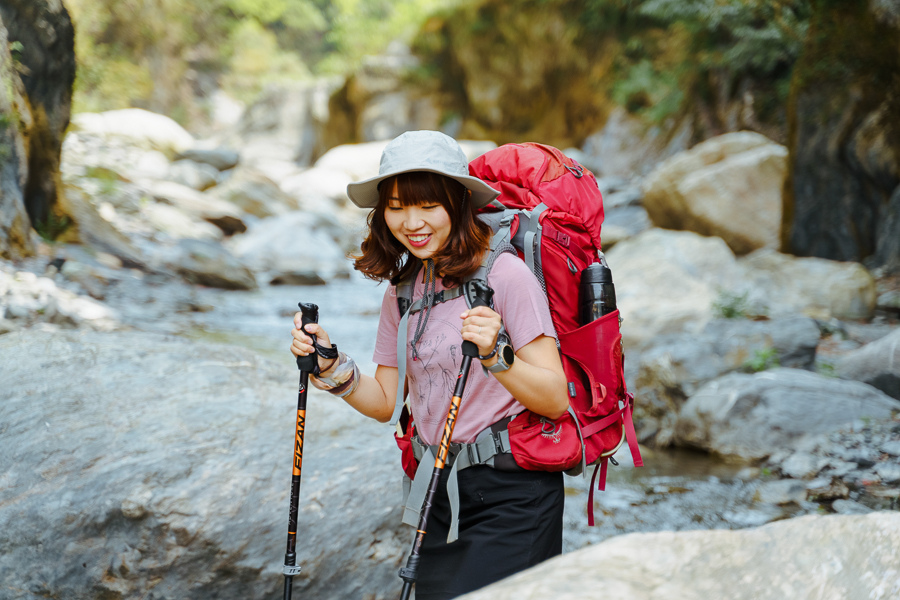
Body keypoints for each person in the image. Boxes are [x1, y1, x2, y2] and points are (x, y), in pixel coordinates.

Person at [290, 130, 569, 599]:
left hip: (512, 496)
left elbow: (555, 399)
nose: (411, 222)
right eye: (397, 207)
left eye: (427, 205)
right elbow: (383, 403)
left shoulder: (506, 275)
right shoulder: (403, 291)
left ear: (457, 203)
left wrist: (496, 358)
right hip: (437, 492)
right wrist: (330, 366)